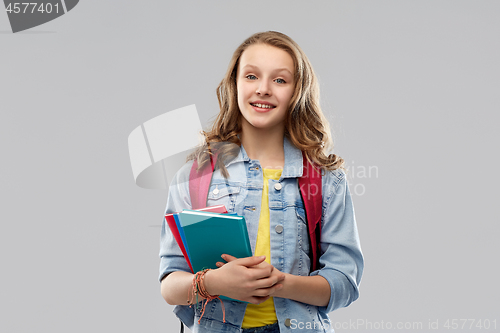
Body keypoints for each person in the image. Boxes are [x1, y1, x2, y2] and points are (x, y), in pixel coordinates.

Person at [159, 31, 364, 333]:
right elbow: (170, 284)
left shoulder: (326, 179)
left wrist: (279, 283)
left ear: (297, 91)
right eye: (252, 76)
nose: (264, 89)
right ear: (235, 84)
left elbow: (344, 282)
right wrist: (212, 282)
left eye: (280, 80)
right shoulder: (194, 177)